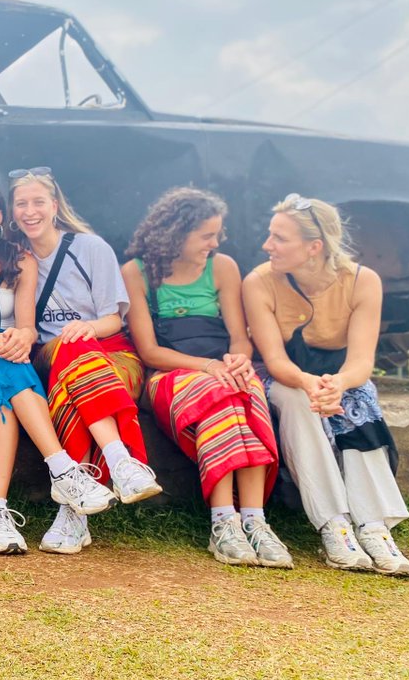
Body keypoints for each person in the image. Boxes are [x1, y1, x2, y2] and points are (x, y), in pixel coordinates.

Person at [0, 179, 118, 555]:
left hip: (3, 364)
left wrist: (20, 338)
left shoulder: (19, 260)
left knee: (5, 387)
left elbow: (27, 327)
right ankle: (62, 469)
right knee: (8, 371)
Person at [243, 194, 409, 575]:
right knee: (299, 401)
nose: (267, 245)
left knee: (358, 403)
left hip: (340, 374)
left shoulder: (362, 280)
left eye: (279, 238)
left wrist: (338, 384)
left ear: (314, 247)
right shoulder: (259, 281)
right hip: (285, 375)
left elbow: (362, 362)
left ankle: (374, 527)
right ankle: (334, 523)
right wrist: (308, 383)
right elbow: (275, 360)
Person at [122, 188, 291, 567]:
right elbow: (149, 351)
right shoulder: (136, 272)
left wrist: (237, 362)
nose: (214, 243)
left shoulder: (223, 267)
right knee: (220, 391)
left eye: (217, 234)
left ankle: (253, 520)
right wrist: (209, 367)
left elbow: (238, 338)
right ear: (176, 233)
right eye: (206, 236)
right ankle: (223, 521)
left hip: (220, 363)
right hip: (170, 371)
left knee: (244, 390)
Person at [8, 167, 162, 555]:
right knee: (70, 349)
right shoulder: (15, 258)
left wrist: (88, 327)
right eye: (21, 203)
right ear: (11, 211)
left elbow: (114, 319)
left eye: (38, 202)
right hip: (51, 354)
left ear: (54, 206)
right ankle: (122, 460)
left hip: (112, 354)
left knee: (76, 385)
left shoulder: (90, 247)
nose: (30, 211)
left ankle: (73, 516)